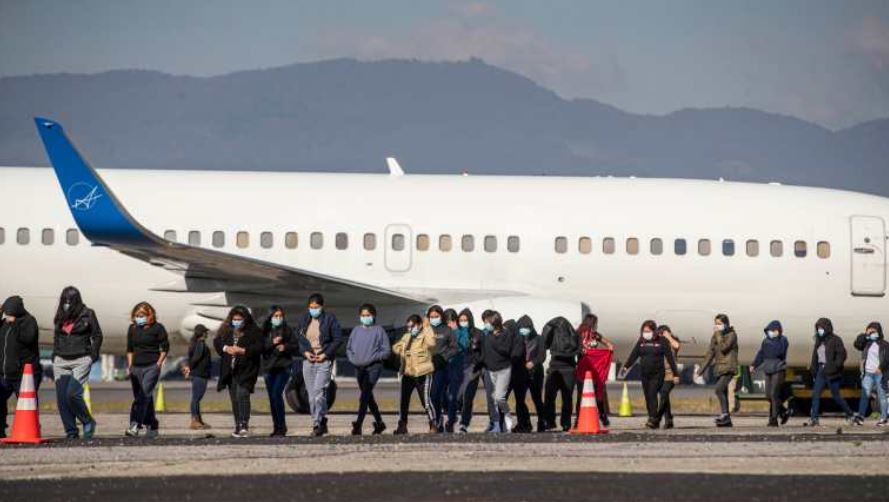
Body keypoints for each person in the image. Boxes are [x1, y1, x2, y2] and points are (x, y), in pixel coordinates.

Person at [53, 286, 102, 439]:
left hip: (81, 358)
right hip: (61, 360)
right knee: (62, 398)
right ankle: (71, 431)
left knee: (72, 394)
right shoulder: (61, 314)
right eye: (65, 300)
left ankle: (88, 421)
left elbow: (98, 335)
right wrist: (55, 354)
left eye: (70, 300)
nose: (67, 303)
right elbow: (56, 336)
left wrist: (92, 355)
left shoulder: (88, 314)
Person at [295, 293, 343, 437]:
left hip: (323, 360)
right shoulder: (305, 319)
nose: (313, 309)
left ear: (321, 307)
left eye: (316, 307)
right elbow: (299, 338)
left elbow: (337, 339)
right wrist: (305, 353)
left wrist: (325, 354)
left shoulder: (330, 319)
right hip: (308, 361)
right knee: (311, 396)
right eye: (311, 307)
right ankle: (319, 422)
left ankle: (318, 422)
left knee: (318, 394)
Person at [214, 306, 263, 438]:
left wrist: (243, 351)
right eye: (234, 319)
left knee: (242, 394)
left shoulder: (254, 331)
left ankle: (243, 424)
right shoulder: (226, 330)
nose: (237, 322)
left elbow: (259, 347)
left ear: (245, 320)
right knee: (235, 398)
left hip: (246, 370)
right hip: (230, 370)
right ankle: (237, 425)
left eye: (239, 319)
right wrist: (226, 348)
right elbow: (217, 342)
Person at [619, 320, 678, 429]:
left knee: (652, 394)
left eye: (648, 331)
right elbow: (634, 354)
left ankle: (653, 419)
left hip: (658, 374)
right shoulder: (641, 341)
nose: (646, 333)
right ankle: (652, 417)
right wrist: (626, 367)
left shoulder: (662, 341)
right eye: (644, 331)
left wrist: (675, 374)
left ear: (654, 331)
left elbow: (670, 358)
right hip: (645, 374)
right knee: (648, 397)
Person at [125, 302, 169, 438]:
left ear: (150, 315)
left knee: (142, 396)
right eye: (137, 315)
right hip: (136, 368)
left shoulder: (158, 328)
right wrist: (130, 365)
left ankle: (135, 424)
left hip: (151, 366)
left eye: (142, 315)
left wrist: (158, 364)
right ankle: (152, 424)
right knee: (145, 397)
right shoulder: (132, 329)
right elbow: (129, 349)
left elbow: (165, 348)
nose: (139, 317)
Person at [346, 303, 391, 435]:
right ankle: (379, 422)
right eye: (363, 315)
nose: (365, 317)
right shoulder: (356, 330)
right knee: (368, 397)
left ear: (373, 315)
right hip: (359, 368)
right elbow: (349, 348)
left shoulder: (379, 331)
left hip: (373, 368)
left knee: (364, 395)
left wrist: (375, 357)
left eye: (368, 315)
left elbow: (387, 351)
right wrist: (353, 359)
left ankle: (358, 424)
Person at [0, 295, 40, 439]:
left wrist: (16, 323)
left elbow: (28, 338)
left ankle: (32, 429)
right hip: (5, 373)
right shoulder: (4, 323)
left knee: (28, 404)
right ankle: (0, 428)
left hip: (24, 375)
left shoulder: (29, 321)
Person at [476, 311, 523, 433]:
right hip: (489, 369)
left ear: (494, 322)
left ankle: (507, 415)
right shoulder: (487, 335)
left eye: (487, 322)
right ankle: (496, 424)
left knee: (499, 397)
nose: (485, 325)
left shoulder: (506, 334)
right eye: (485, 322)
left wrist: (494, 341)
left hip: (503, 369)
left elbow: (507, 350)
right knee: (492, 398)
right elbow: (483, 352)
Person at [806, 318, 855, 426]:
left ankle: (850, 414)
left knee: (836, 395)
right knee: (815, 394)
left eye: (821, 328)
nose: (819, 330)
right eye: (818, 328)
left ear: (827, 327)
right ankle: (814, 418)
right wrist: (813, 370)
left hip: (832, 372)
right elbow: (815, 356)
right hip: (821, 370)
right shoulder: (818, 340)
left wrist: (835, 366)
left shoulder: (836, 339)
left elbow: (842, 354)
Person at [392, 314, 437, 434]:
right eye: (408, 327)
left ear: (419, 325)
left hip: (422, 373)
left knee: (425, 401)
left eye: (412, 326)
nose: (410, 329)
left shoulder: (425, 336)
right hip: (408, 373)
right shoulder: (407, 337)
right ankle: (402, 425)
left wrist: (427, 327)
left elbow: (432, 343)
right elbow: (396, 348)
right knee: (404, 401)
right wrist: (403, 345)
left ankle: (433, 423)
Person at [456, 308, 495, 433]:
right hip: (468, 367)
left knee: (491, 395)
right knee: (466, 395)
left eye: (465, 320)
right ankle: (464, 423)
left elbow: (483, 349)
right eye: (461, 320)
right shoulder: (456, 333)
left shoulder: (478, 333)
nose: (463, 322)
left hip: (482, 365)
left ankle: (493, 421)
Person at [261, 305, 296, 437]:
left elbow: (295, 345)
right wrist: (272, 342)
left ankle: (282, 426)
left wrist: (285, 347)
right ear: (270, 317)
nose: (278, 318)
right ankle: (276, 427)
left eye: (280, 316)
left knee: (276, 394)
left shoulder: (287, 330)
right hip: (269, 368)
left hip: (283, 367)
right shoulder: (265, 331)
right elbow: (260, 347)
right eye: (276, 316)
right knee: (272, 398)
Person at [697, 314, 738, 427]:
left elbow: (724, 348)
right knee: (722, 391)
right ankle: (726, 419)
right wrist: (700, 370)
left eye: (719, 324)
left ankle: (724, 414)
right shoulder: (716, 336)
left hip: (729, 367)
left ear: (726, 324)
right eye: (716, 323)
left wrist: (718, 334)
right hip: (720, 368)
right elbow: (710, 353)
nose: (717, 326)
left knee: (718, 389)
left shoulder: (732, 335)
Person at [542, 316, 581, 431]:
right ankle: (566, 423)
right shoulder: (574, 335)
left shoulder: (554, 333)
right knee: (567, 398)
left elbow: (545, 344)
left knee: (549, 397)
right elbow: (580, 352)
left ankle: (550, 421)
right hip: (569, 370)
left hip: (555, 368)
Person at [575, 314, 614, 426]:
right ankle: (577, 420)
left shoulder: (595, 335)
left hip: (595, 369)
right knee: (580, 396)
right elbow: (573, 347)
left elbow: (607, 343)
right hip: (582, 368)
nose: (596, 326)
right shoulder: (579, 334)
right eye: (595, 323)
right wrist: (580, 351)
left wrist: (609, 346)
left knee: (598, 393)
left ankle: (602, 416)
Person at [427, 305, 459, 433]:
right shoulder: (425, 330)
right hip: (426, 368)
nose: (434, 318)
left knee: (436, 394)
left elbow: (454, 348)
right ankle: (435, 422)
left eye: (436, 316)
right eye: (431, 317)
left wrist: (443, 358)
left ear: (441, 316)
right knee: (430, 397)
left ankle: (441, 420)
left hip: (441, 367)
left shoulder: (447, 330)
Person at [511, 315, 546, 433]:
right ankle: (524, 423)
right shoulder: (516, 339)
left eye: (526, 328)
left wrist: (533, 362)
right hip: (520, 373)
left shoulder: (539, 339)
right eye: (521, 328)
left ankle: (542, 421)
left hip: (535, 373)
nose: (524, 330)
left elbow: (542, 355)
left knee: (537, 399)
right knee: (519, 400)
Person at [751, 320, 789, 427]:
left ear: (778, 331)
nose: (770, 333)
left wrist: (775, 339)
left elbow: (780, 352)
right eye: (769, 331)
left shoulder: (783, 340)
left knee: (774, 394)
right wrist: (754, 365)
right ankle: (784, 411)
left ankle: (773, 419)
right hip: (768, 369)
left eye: (773, 330)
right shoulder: (765, 341)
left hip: (778, 369)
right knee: (768, 395)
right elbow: (761, 354)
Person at [852, 322, 889, 426]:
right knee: (864, 395)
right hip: (868, 373)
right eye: (870, 331)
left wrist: (880, 368)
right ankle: (860, 417)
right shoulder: (866, 344)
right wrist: (865, 335)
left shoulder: (884, 344)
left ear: (878, 332)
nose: (872, 333)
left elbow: (887, 359)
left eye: (874, 331)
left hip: (879, 374)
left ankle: (884, 418)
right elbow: (857, 344)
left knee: (882, 396)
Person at [182, 324, 212, 430]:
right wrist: (189, 367)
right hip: (200, 374)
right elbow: (196, 358)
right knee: (196, 398)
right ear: (202, 333)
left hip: (198, 374)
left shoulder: (194, 343)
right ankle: (194, 420)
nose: (207, 334)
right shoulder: (200, 344)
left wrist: (188, 367)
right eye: (205, 332)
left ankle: (199, 420)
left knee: (196, 398)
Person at [657, 325, 681, 429]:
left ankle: (656, 418)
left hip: (671, 374)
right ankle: (669, 419)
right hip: (660, 374)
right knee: (664, 397)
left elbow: (676, 346)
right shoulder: (659, 343)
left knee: (664, 393)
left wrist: (669, 336)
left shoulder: (673, 342)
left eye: (663, 333)